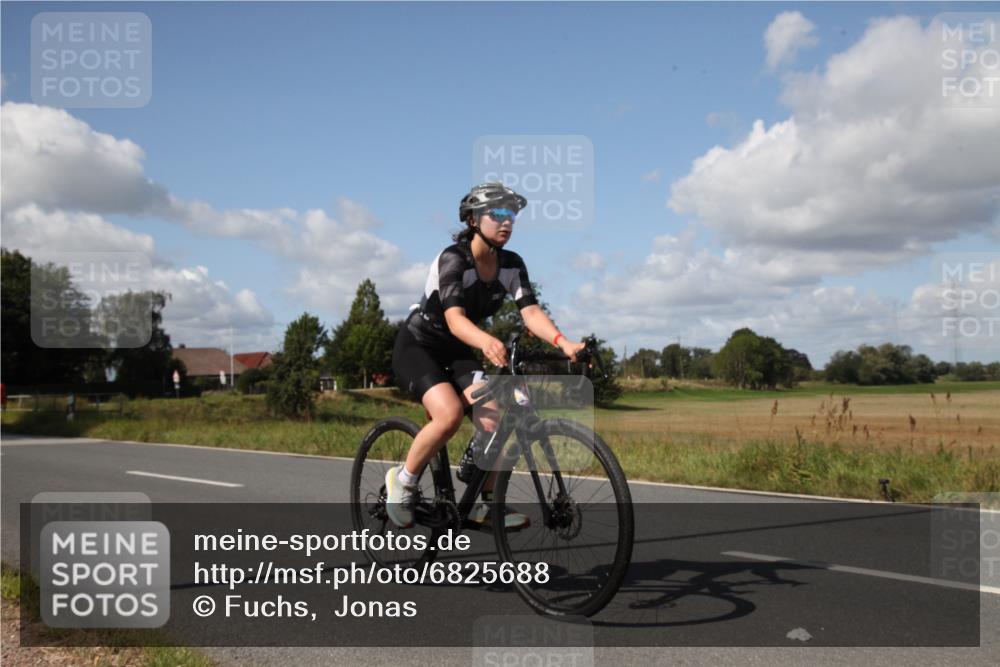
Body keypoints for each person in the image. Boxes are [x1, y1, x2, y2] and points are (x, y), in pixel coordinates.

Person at [387, 182, 585, 530]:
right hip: (419, 346)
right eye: (497, 214)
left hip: (459, 349)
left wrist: (563, 342)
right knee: (447, 415)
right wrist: (486, 342)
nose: (506, 222)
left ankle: (486, 502)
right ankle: (402, 481)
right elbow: (454, 319)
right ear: (474, 220)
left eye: (511, 215)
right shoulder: (455, 258)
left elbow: (531, 312)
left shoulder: (511, 264)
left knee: (492, 416)